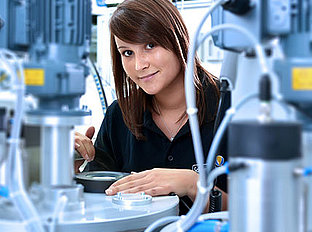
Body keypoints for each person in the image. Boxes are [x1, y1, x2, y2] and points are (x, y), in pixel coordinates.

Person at [75, 0, 227, 214]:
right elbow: (97, 204)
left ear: (178, 39)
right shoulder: (119, 115)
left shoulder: (230, 108)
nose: (139, 65)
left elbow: (261, 210)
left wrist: (194, 185)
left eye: (150, 45)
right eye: (127, 52)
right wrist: (70, 168)